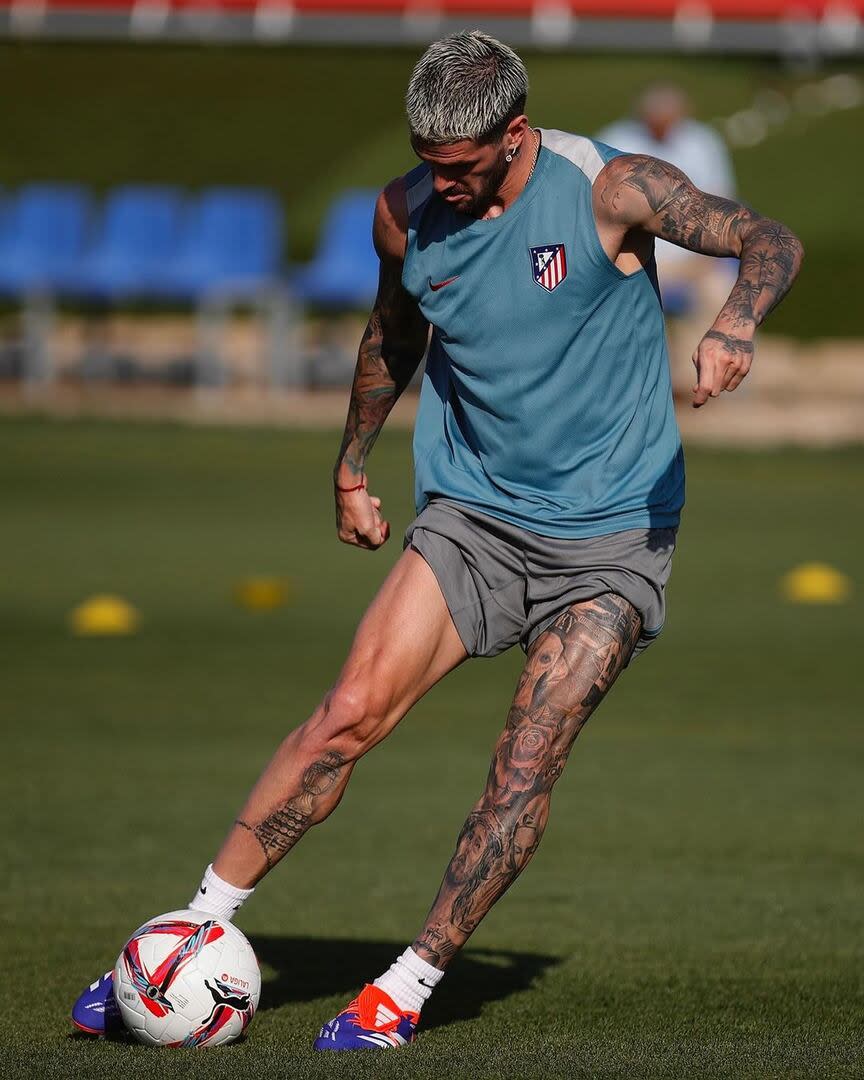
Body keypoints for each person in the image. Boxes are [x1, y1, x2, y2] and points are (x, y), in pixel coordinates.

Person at [72, 31, 803, 1050]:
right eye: (427, 161)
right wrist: (351, 464)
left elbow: (770, 238)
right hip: (475, 516)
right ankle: (187, 938)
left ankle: (405, 986)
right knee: (345, 715)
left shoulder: (612, 187)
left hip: (612, 535)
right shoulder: (404, 210)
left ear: (516, 136)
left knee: (522, 764)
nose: (440, 183)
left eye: (460, 167)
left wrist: (734, 323)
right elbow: (393, 330)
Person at [597, 84, 740, 397]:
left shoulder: (702, 143)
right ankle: (641, 387)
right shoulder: (617, 140)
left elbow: (722, 205)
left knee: (722, 292)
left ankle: (710, 383)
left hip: (694, 261)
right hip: (633, 256)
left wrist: (707, 259)